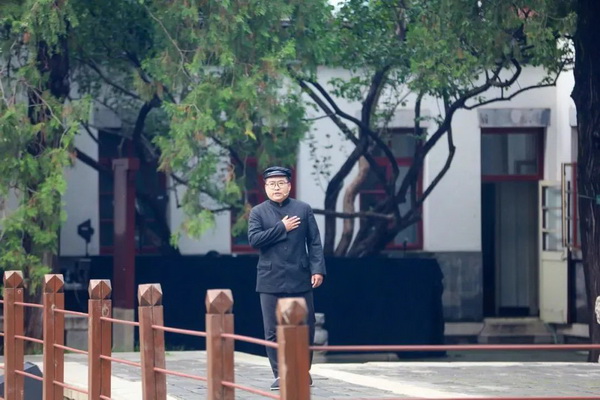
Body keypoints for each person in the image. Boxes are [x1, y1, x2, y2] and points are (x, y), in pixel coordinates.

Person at [247, 166, 326, 391]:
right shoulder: (258, 212)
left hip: (300, 276)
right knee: (272, 330)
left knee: (307, 326)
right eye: (272, 184)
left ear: (289, 186)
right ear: (265, 187)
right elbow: (254, 240)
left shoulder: (303, 209)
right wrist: (282, 227)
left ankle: (302, 370)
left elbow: (314, 242)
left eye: (281, 183)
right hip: (269, 278)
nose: (276, 188)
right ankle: (280, 374)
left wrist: (317, 270)